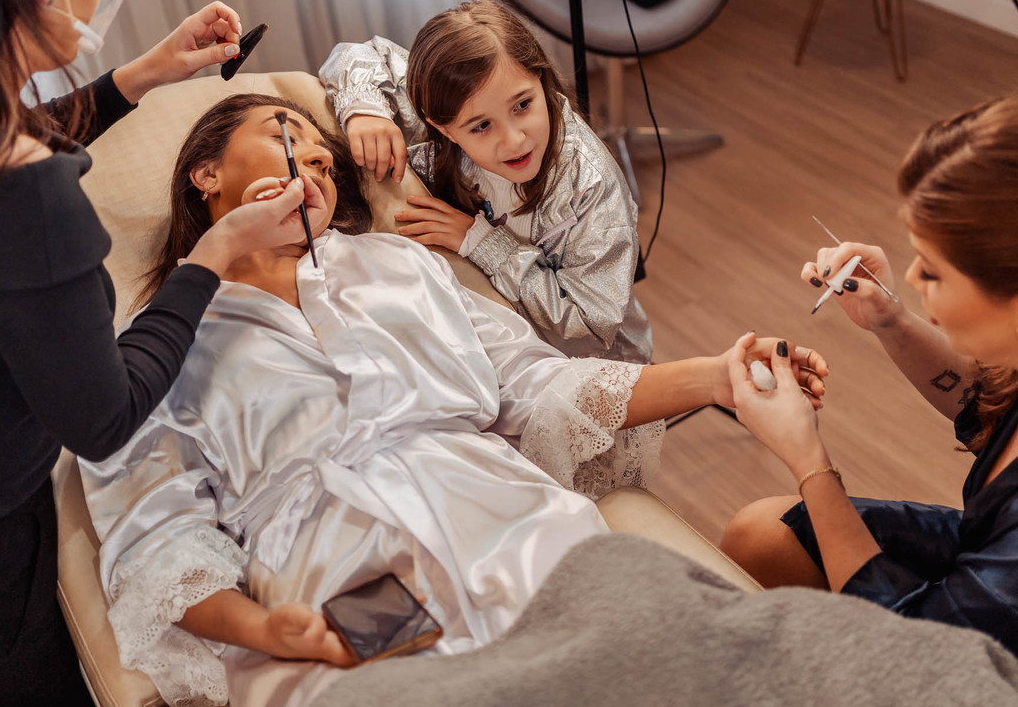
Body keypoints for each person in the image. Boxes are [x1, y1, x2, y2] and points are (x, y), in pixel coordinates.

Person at [81, 93, 830, 707]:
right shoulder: (152, 347)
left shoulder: (395, 265)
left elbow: (534, 385)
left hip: (504, 520)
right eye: (286, 137)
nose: (311, 160)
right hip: (331, 582)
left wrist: (717, 376)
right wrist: (270, 630)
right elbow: (156, 540)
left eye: (321, 156)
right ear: (206, 174)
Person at [0, 0, 318, 704]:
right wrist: (213, 254)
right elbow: (102, 417)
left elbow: (22, 136)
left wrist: (147, 71)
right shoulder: (23, 193)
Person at [718, 93, 1018, 706]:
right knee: (762, 534)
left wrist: (808, 457)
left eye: (935, 270)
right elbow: (989, 406)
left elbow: (917, 670)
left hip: (1006, 665)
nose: (914, 279)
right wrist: (889, 319)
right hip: (997, 564)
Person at [319, 0, 652, 364]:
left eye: (522, 105)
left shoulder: (589, 183)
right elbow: (357, 54)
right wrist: (364, 110)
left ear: (540, 79)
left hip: (585, 366)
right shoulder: (437, 114)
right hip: (491, 336)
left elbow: (588, 326)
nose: (514, 140)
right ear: (440, 126)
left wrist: (483, 243)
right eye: (481, 126)